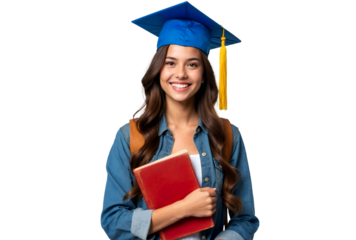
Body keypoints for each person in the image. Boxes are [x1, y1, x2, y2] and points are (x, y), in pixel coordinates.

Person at [100, 1, 260, 239]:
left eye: (192, 64)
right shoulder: (129, 135)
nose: (181, 74)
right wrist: (183, 209)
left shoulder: (227, 134)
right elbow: (113, 221)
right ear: (158, 69)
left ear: (205, 74)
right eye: (170, 62)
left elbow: (246, 220)